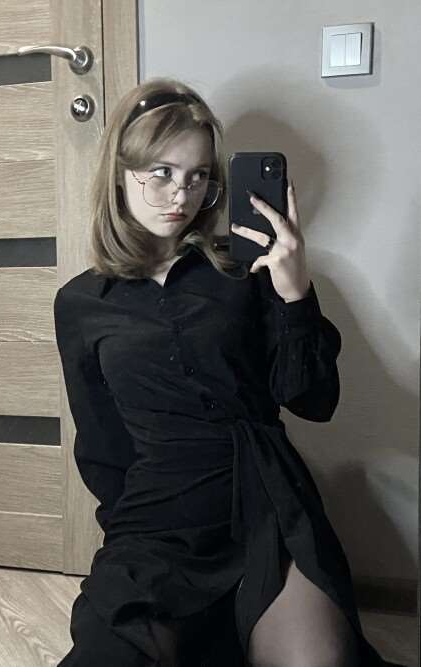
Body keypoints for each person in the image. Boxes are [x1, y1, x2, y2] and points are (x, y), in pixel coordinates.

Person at [54, 77, 406, 666]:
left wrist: (295, 293)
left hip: (267, 506)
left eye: (198, 176)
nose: (181, 194)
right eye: (161, 172)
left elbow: (313, 400)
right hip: (159, 521)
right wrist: (127, 545)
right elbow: (102, 444)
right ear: (119, 172)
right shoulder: (81, 304)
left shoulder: (247, 271)